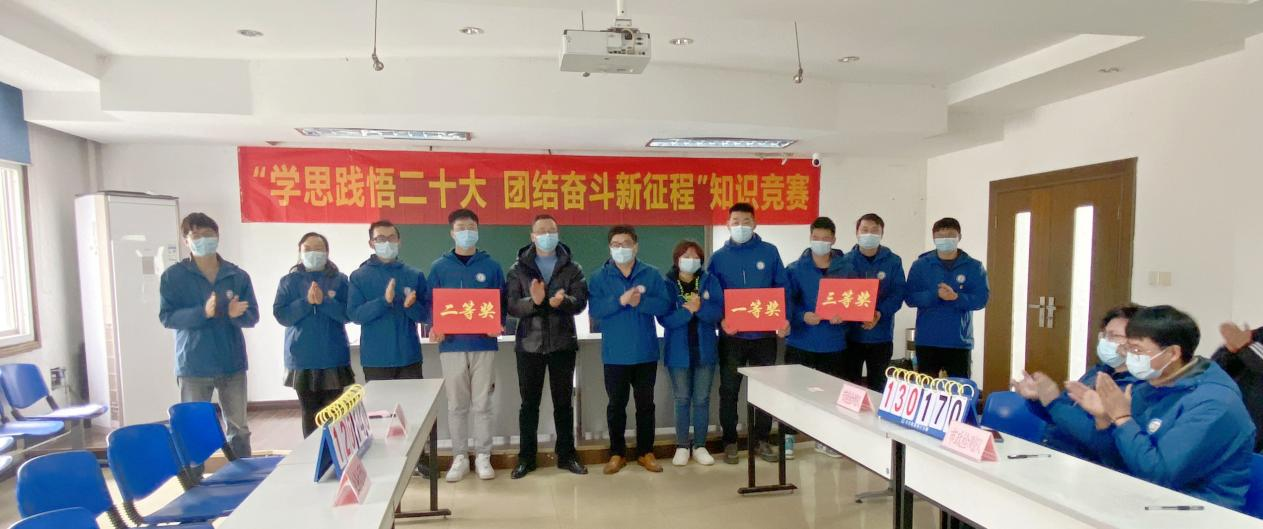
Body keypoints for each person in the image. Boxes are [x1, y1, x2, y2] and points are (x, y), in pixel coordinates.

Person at [1067, 305, 1255, 511]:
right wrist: (1103, 418)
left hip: (1199, 509)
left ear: (1173, 353)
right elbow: (1118, 461)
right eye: (1128, 349)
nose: (1129, 357)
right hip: (1144, 498)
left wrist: (1123, 418)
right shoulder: (1149, 386)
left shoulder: (1214, 403)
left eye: (1137, 350)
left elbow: (1159, 475)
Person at [158, 212, 259, 460]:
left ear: (218, 237)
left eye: (208, 234)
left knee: (239, 429)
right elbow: (167, 317)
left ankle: (246, 475)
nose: (203, 239)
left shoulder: (237, 275)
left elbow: (252, 317)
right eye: (196, 235)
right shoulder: (174, 276)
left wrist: (234, 315)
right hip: (194, 364)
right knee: (193, 429)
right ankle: (195, 477)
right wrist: (202, 313)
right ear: (186, 241)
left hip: (231, 361)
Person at [504, 214, 590, 478]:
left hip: (562, 344)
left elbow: (580, 302)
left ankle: (567, 455)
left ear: (558, 233)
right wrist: (535, 301)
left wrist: (562, 302)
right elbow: (511, 306)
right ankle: (526, 458)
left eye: (551, 231)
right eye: (541, 231)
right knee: (529, 405)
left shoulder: (572, 268)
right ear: (532, 236)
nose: (547, 235)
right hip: (529, 345)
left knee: (564, 403)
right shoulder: (518, 269)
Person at [708, 202, 789, 464]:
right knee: (729, 391)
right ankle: (730, 441)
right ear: (727, 224)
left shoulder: (769, 251)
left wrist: (783, 319)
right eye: (735, 221)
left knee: (764, 390)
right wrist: (721, 320)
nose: (740, 226)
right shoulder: (718, 258)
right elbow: (712, 297)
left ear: (754, 224)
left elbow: (782, 288)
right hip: (732, 338)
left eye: (746, 221)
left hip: (764, 337)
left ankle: (761, 439)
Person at [429, 209, 506, 482]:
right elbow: (430, 304)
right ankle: (459, 456)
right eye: (461, 227)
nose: (466, 232)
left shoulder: (491, 266)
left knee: (482, 404)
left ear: (478, 231)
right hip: (451, 345)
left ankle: (483, 455)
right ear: (452, 232)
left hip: (483, 344)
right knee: (456, 405)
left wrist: (499, 323)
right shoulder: (439, 267)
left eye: (471, 227)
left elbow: (502, 303)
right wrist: (434, 326)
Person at [588, 225, 672, 474]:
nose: (621, 248)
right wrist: (621, 301)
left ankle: (646, 452)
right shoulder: (599, 276)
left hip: (645, 351)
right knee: (616, 406)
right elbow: (595, 310)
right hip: (615, 354)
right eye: (616, 244)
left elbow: (665, 306)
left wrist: (641, 302)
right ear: (609, 248)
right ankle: (617, 453)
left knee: (646, 405)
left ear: (636, 246)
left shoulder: (651, 274)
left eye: (626, 244)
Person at [1013, 304, 1140, 465]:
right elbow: (1058, 415)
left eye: (1113, 336)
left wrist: (1053, 402)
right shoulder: (1097, 372)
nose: (1105, 341)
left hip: (1084, 463)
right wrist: (1038, 399)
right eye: (1104, 335)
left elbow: (1093, 434)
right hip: (1051, 451)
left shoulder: (1134, 387)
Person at [273, 232, 353, 438]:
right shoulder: (288, 281)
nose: (313, 253)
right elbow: (282, 316)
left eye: (318, 249)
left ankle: (335, 454)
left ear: (327, 252)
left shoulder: (340, 280)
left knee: (334, 412)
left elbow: (348, 314)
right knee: (309, 413)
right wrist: (306, 302)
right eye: (308, 249)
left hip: (333, 356)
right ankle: (313, 454)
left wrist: (324, 301)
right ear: (300, 252)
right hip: (302, 358)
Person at [784, 217, 851, 459]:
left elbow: (854, 300)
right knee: (793, 392)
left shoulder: (847, 269)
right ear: (810, 238)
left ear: (834, 240)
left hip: (833, 342)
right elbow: (786, 303)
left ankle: (825, 439)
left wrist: (845, 315)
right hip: (801, 340)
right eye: (816, 238)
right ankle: (788, 437)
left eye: (825, 238)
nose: (820, 242)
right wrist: (802, 315)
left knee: (830, 394)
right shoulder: (794, 269)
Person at [658, 240, 724, 466]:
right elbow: (664, 318)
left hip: (705, 350)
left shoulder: (710, 280)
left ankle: (700, 445)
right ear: (677, 259)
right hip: (678, 352)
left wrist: (700, 308)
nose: (691, 260)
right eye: (686, 256)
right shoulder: (667, 283)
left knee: (702, 400)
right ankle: (682, 446)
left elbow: (718, 312)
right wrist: (688, 312)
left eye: (696, 257)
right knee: (682, 399)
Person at [905, 217, 989, 378]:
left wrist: (956, 297)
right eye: (940, 236)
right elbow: (909, 298)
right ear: (934, 238)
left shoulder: (974, 266)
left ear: (959, 237)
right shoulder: (921, 265)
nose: (945, 240)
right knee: (927, 389)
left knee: (958, 389)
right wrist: (935, 295)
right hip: (927, 340)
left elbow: (981, 299)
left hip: (958, 342)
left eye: (950, 235)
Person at [348, 220, 430, 381]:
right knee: (380, 399)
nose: (387, 243)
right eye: (380, 239)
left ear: (399, 241)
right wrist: (384, 302)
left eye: (391, 238)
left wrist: (410, 306)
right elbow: (354, 315)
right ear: (371, 243)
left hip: (409, 357)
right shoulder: (359, 276)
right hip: (375, 359)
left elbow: (426, 315)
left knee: (412, 397)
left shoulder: (414, 275)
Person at [841, 213, 906, 393]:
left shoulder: (893, 261)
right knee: (850, 387)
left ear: (882, 234)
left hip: (881, 336)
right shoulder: (845, 261)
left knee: (879, 387)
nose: (869, 234)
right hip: (851, 336)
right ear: (857, 233)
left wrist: (878, 313)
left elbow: (898, 293)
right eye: (865, 230)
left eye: (874, 230)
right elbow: (839, 295)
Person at [1212, 323, 1263, 453]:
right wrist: (1229, 351)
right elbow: (1215, 371)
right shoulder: (1256, 335)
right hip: (1238, 433)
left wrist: (1245, 346)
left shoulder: (1247, 342)